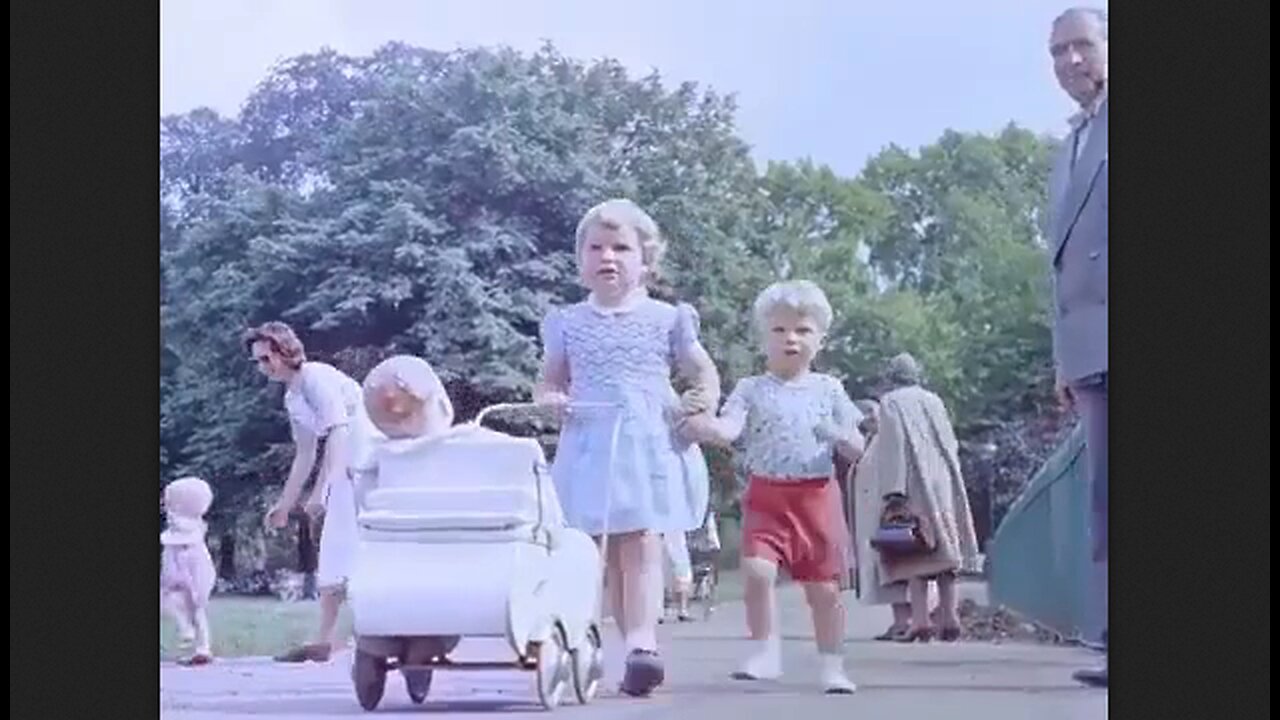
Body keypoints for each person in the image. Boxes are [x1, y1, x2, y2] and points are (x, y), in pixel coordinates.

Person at [534, 198, 720, 697]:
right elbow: (550, 381)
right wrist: (553, 400)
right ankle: (581, 635)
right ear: (582, 260)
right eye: (596, 247)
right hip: (592, 442)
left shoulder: (666, 318)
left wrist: (701, 400)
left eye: (621, 248)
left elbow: (701, 369)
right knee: (594, 547)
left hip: (647, 441)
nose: (608, 257)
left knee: (639, 540)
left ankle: (641, 644)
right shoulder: (567, 322)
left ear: (646, 260)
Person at [683, 279, 862, 694]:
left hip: (816, 498)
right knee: (759, 572)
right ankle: (765, 652)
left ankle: (833, 664)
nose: (791, 339)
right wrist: (706, 426)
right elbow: (730, 429)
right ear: (765, 336)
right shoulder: (752, 388)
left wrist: (837, 434)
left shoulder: (829, 389)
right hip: (766, 495)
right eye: (780, 330)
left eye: (802, 330)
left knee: (823, 589)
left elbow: (857, 446)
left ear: (820, 338)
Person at [243, 321, 383, 663]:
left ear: (286, 351)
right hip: (347, 463)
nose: (263, 367)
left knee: (358, 542)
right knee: (336, 546)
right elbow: (305, 453)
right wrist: (285, 504)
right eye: (258, 361)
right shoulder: (293, 396)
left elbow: (338, 432)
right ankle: (325, 638)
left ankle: (359, 632)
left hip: (369, 460)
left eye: (266, 358)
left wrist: (325, 489)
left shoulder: (316, 378)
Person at [1045, 6, 1109, 688]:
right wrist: (1063, 357)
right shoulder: (1068, 145)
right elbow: (1058, 262)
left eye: (1082, 46)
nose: (1069, 61)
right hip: (1089, 347)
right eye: (1058, 51)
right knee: (1105, 496)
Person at [865, 354, 979, 644]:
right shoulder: (934, 400)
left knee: (914, 548)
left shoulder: (891, 402)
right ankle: (949, 616)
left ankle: (919, 621)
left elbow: (894, 447)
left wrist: (893, 491)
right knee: (944, 550)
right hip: (943, 480)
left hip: (914, 481)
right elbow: (949, 442)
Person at [848, 399, 914, 640]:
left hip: (887, 512)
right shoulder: (871, 443)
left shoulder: (887, 441)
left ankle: (905, 621)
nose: (868, 421)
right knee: (888, 569)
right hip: (875, 514)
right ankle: (902, 620)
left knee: (895, 567)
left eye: (871, 415)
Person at [160, 476, 218, 666]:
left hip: (185, 572)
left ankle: (186, 630)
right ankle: (203, 647)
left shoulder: (179, 526)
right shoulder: (196, 524)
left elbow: (181, 553)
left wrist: (180, 577)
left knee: (171, 600)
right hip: (199, 571)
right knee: (197, 611)